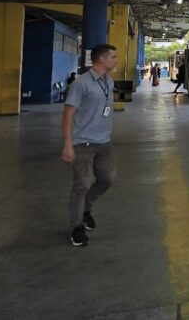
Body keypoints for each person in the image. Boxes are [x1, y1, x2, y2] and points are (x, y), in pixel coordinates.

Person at [61, 44, 118, 247]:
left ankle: (86, 208)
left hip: (104, 143)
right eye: (113, 57)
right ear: (101, 60)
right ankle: (76, 227)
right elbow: (68, 115)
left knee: (107, 179)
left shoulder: (108, 81)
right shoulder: (81, 84)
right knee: (82, 185)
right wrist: (68, 145)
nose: (116, 60)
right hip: (82, 143)